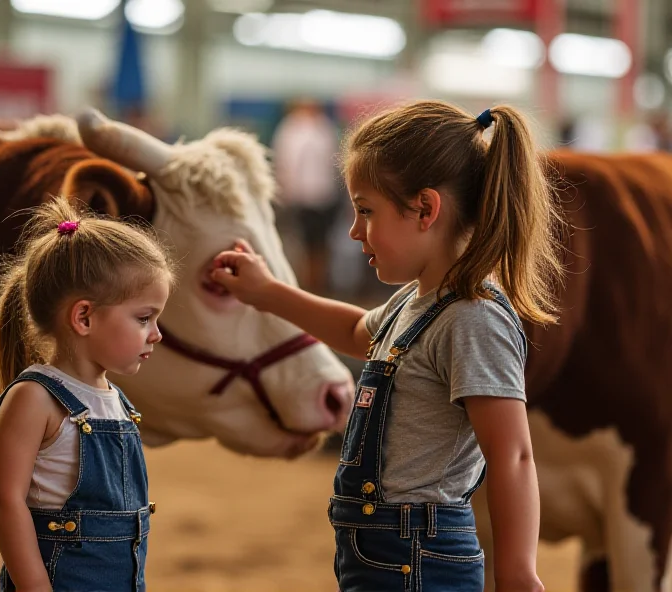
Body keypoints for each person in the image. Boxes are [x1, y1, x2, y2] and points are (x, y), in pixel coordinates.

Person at [211, 101, 563, 592]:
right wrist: (269, 294)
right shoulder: (416, 301)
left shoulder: (473, 318)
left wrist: (519, 571)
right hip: (377, 551)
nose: (355, 231)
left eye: (366, 211)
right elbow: (359, 332)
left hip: (420, 558)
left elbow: (514, 456)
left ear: (425, 208)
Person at [0, 197, 175, 592]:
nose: (156, 333)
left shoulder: (118, 402)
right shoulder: (35, 398)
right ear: (84, 317)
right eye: (144, 318)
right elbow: (5, 502)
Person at [271, 99, 342, 294]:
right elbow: (284, 163)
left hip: (320, 195)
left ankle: (316, 284)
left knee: (318, 244)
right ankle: (303, 283)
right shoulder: (292, 129)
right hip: (300, 196)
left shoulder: (322, 128)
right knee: (300, 244)